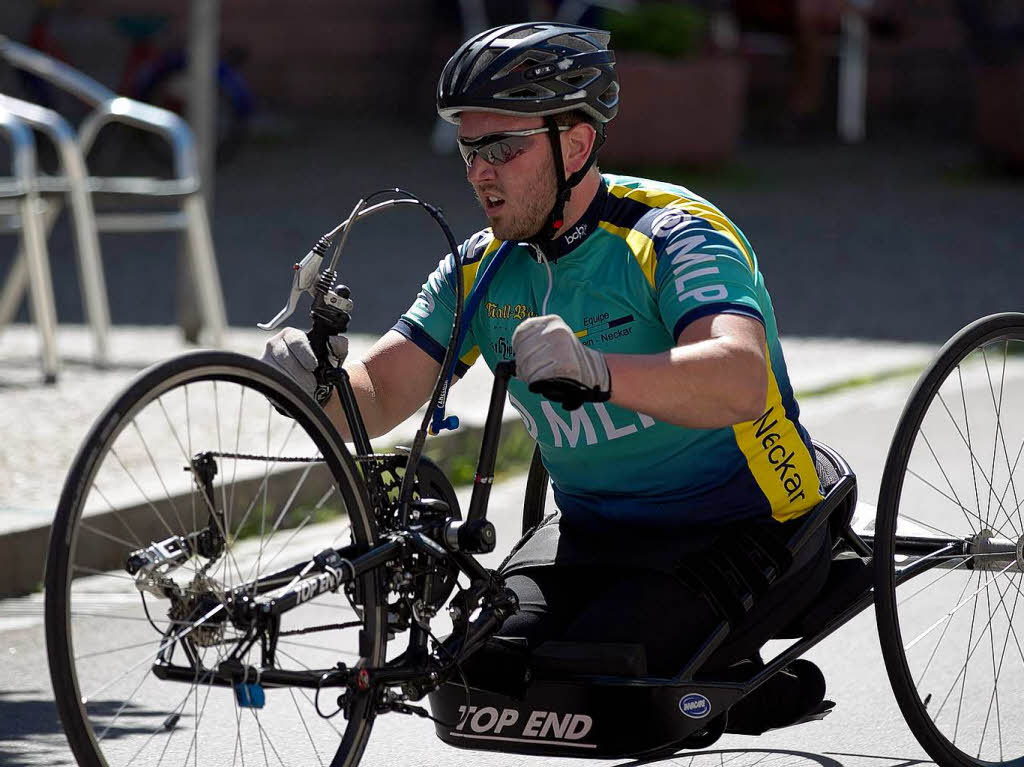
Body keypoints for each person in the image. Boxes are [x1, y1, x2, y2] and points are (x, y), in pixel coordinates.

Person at [262, 22, 832, 733]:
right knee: (472, 675)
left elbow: (740, 378)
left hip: (742, 518)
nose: (479, 172)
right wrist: (315, 386)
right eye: (470, 149)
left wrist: (598, 370)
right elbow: (381, 397)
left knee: (608, 682)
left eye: (503, 146)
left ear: (577, 143)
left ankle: (755, 689)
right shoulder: (481, 266)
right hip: (594, 530)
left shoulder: (673, 234)